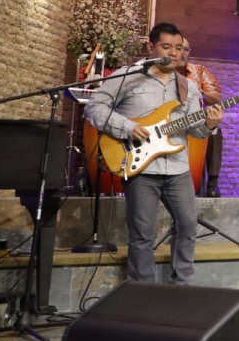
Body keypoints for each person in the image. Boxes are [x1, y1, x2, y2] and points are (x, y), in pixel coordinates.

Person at [85, 22, 222, 284]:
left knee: (188, 226)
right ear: (151, 47)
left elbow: (195, 131)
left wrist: (209, 124)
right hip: (141, 167)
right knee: (142, 234)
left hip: (177, 168)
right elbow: (94, 108)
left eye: (179, 48)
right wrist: (127, 127)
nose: (174, 53)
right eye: (166, 47)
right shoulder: (127, 76)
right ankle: (143, 291)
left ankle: (181, 286)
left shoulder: (187, 86)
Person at [175, 38, 225, 196]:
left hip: (194, 121)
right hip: (169, 122)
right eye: (179, 48)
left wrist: (198, 93)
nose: (182, 53)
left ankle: (212, 184)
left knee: (215, 130)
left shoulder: (199, 71)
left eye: (186, 49)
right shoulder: (162, 73)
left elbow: (217, 98)